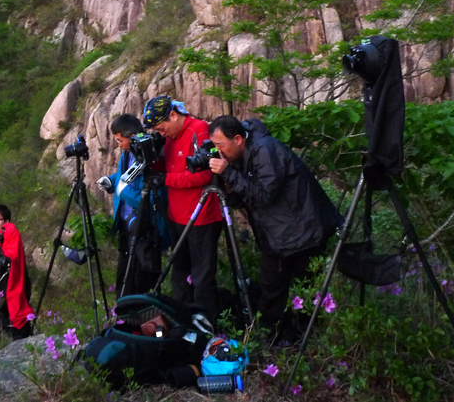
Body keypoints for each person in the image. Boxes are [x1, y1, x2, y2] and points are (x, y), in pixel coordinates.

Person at [207, 115, 343, 344]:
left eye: (220, 145)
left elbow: (263, 195)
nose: (218, 151)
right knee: (271, 290)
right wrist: (228, 188)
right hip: (277, 235)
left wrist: (229, 173)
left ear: (238, 139)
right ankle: (267, 339)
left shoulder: (266, 151)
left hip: (302, 233)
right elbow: (245, 198)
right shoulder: (242, 155)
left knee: (305, 290)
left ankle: (303, 343)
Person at [142, 95, 223, 321]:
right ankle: (184, 322)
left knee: (202, 276)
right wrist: (150, 160)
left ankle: (208, 325)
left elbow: (207, 174)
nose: (162, 132)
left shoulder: (199, 130)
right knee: (179, 274)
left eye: (162, 127)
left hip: (202, 216)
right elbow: (167, 167)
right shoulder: (170, 136)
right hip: (176, 215)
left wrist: (165, 179)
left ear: (174, 115)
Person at [96, 113, 169, 297]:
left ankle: (139, 320)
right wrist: (111, 182)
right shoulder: (128, 154)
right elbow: (125, 177)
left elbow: (154, 197)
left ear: (132, 136)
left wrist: (122, 190)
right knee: (123, 280)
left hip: (144, 230)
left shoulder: (150, 156)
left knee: (138, 283)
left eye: (120, 140)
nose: (118, 144)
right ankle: (124, 318)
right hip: (127, 227)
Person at [0, 204, 34, 339]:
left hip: (17, 286)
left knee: (19, 318)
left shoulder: (9, 230)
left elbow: (10, 257)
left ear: (6, 221)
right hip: (8, 288)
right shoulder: (1, 238)